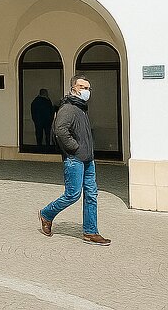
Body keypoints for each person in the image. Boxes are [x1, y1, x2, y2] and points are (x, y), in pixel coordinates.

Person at [38, 75, 110, 246]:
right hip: (74, 159)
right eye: (83, 87)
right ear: (74, 88)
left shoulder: (81, 107)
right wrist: (74, 148)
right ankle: (47, 214)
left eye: (88, 88)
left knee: (91, 194)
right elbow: (60, 130)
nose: (87, 91)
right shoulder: (68, 108)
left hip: (88, 160)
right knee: (73, 194)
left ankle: (91, 232)